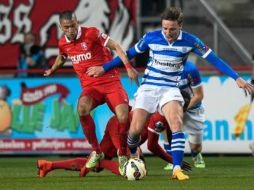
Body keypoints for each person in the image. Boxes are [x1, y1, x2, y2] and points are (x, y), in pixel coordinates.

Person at [86, 7, 254, 180]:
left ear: (180, 26)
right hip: (148, 88)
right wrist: (104, 68)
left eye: (172, 29)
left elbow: (214, 59)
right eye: (165, 28)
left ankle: (176, 169)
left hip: (170, 89)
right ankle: (134, 156)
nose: (167, 32)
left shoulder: (191, 41)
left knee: (176, 123)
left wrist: (236, 78)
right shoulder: (151, 37)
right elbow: (129, 53)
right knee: (134, 130)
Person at [43, 10, 138, 175]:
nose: (71, 30)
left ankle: (122, 153)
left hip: (111, 83)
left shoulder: (92, 33)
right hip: (91, 87)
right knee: (82, 109)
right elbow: (62, 56)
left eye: (73, 25)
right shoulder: (62, 43)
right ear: (61, 27)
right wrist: (53, 69)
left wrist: (128, 67)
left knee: (123, 116)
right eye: (66, 27)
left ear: (77, 22)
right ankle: (97, 151)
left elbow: (115, 46)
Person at [37, 110, 192, 178]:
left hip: (118, 125)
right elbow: (152, 145)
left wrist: (175, 161)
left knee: (95, 167)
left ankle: (49, 165)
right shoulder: (161, 116)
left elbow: (166, 137)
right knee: (126, 170)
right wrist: (173, 161)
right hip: (120, 129)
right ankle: (98, 159)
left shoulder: (167, 114)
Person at [163, 60, 205, 170]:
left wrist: (182, 109)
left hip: (192, 108)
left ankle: (196, 155)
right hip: (171, 105)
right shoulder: (162, 66)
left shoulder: (190, 69)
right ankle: (171, 159)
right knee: (166, 128)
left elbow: (199, 96)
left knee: (196, 147)